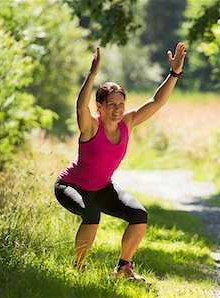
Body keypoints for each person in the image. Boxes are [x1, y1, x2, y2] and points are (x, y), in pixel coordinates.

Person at [54, 42, 187, 281]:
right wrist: (92, 74)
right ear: (100, 107)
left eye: (121, 104)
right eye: (112, 104)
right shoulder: (91, 126)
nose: (118, 109)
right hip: (71, 186)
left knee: (139, 215)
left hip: (102, 187)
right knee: (91, 214)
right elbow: (80, 106)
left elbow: (157, 101)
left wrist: (174, 73)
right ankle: (78, 267)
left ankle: (123, 269)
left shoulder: (128, 122)